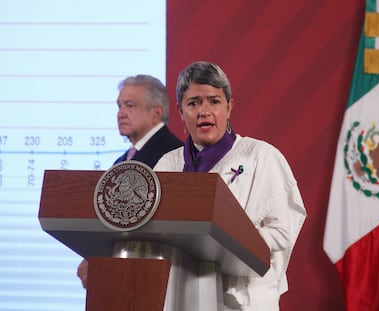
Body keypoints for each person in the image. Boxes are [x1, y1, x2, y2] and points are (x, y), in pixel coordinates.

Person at [153, 61, 306, 310]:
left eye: (214, 101)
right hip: (183, 295)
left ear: (229, 106)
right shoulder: (168, 164)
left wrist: (220, 244)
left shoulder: (260, 156)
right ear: (180, 112)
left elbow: (282, 231)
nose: (204, 111)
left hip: (244, 299)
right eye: (193, 103)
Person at [76, 74, 183, 289]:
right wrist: (95, 256)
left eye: (130, 105)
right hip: (124, 274)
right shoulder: (123, 160)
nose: (120, 113)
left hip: (153, 277)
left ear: (156, 113)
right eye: (119, 106)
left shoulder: (173, 155)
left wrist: (102, 258)